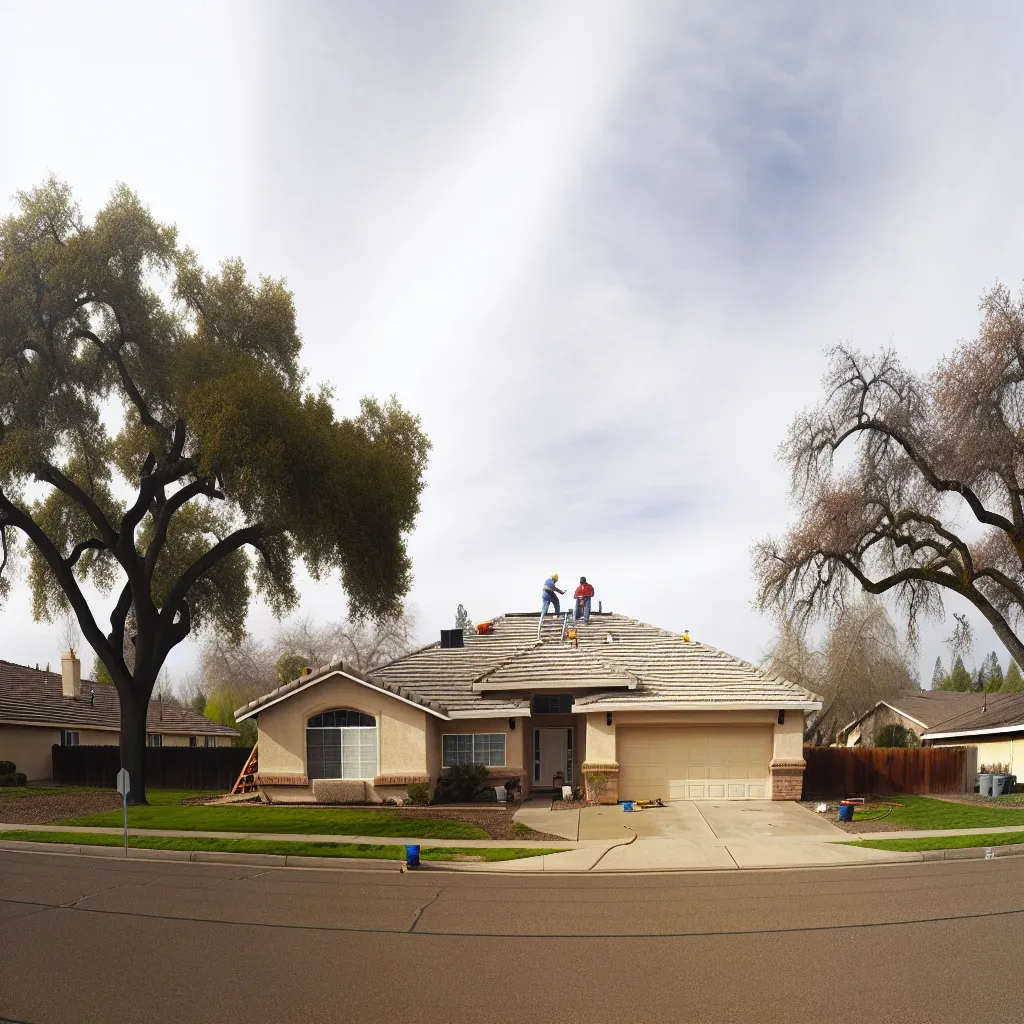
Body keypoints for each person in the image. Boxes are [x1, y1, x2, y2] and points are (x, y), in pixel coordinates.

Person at [538, 573, 565, 639]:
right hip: (547, 594)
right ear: (554, 578)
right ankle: (542, 619)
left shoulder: (550, 582)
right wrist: (561, 592)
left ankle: (557, 614)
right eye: (556, 580)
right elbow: (552, 588)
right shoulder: (549, 581)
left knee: (556, 602)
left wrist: (561, 592)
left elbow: (554, 588)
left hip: (549, 593)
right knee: (545, 607)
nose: (556, 581)